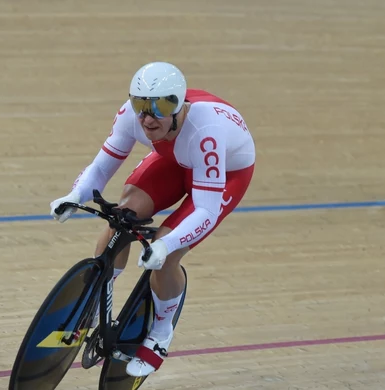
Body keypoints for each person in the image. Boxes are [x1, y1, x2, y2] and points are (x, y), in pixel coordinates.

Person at [49, 61, 256, 377]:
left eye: (161, 107)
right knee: (124, 213)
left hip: (225, 174)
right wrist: (75, 195)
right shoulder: (133, 117)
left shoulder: (205, 133)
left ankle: (160, 332)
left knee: (166, 251)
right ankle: (94, 299)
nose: (148, 117)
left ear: (179, 105)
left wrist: (167, 242)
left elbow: (206, 210)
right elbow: (103, 167)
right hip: (177, 158)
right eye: (141, 105)